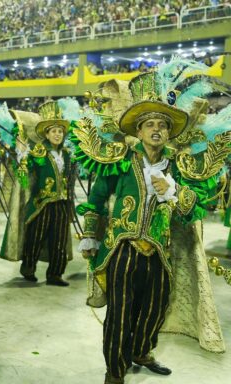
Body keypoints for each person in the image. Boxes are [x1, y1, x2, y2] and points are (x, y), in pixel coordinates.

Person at [76, 70, 221, 384]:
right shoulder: (121, 159)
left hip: (159, 251)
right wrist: (89, 233)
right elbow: (98, 198)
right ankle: (115, 370)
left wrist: (174, 192)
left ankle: (141, 352)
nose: (157, 130)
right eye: (150, 124)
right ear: (139, 131)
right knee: (120, 314)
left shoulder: (178, 166)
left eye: (163, 125)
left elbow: (193, 210)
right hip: (122, 249)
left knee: (154, 309)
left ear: (169, 133)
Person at [19, 101, 73, 286]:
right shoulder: (39, 152)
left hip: (62, 203)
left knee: (59, 241)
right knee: (35, 238)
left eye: (60, 131)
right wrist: (22, 156)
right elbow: (26, 172)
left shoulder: (66, 154)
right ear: (47, 134)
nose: (57, 134)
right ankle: (28, 269)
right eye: (54, 131)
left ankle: (55, 275)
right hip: (42, 203)